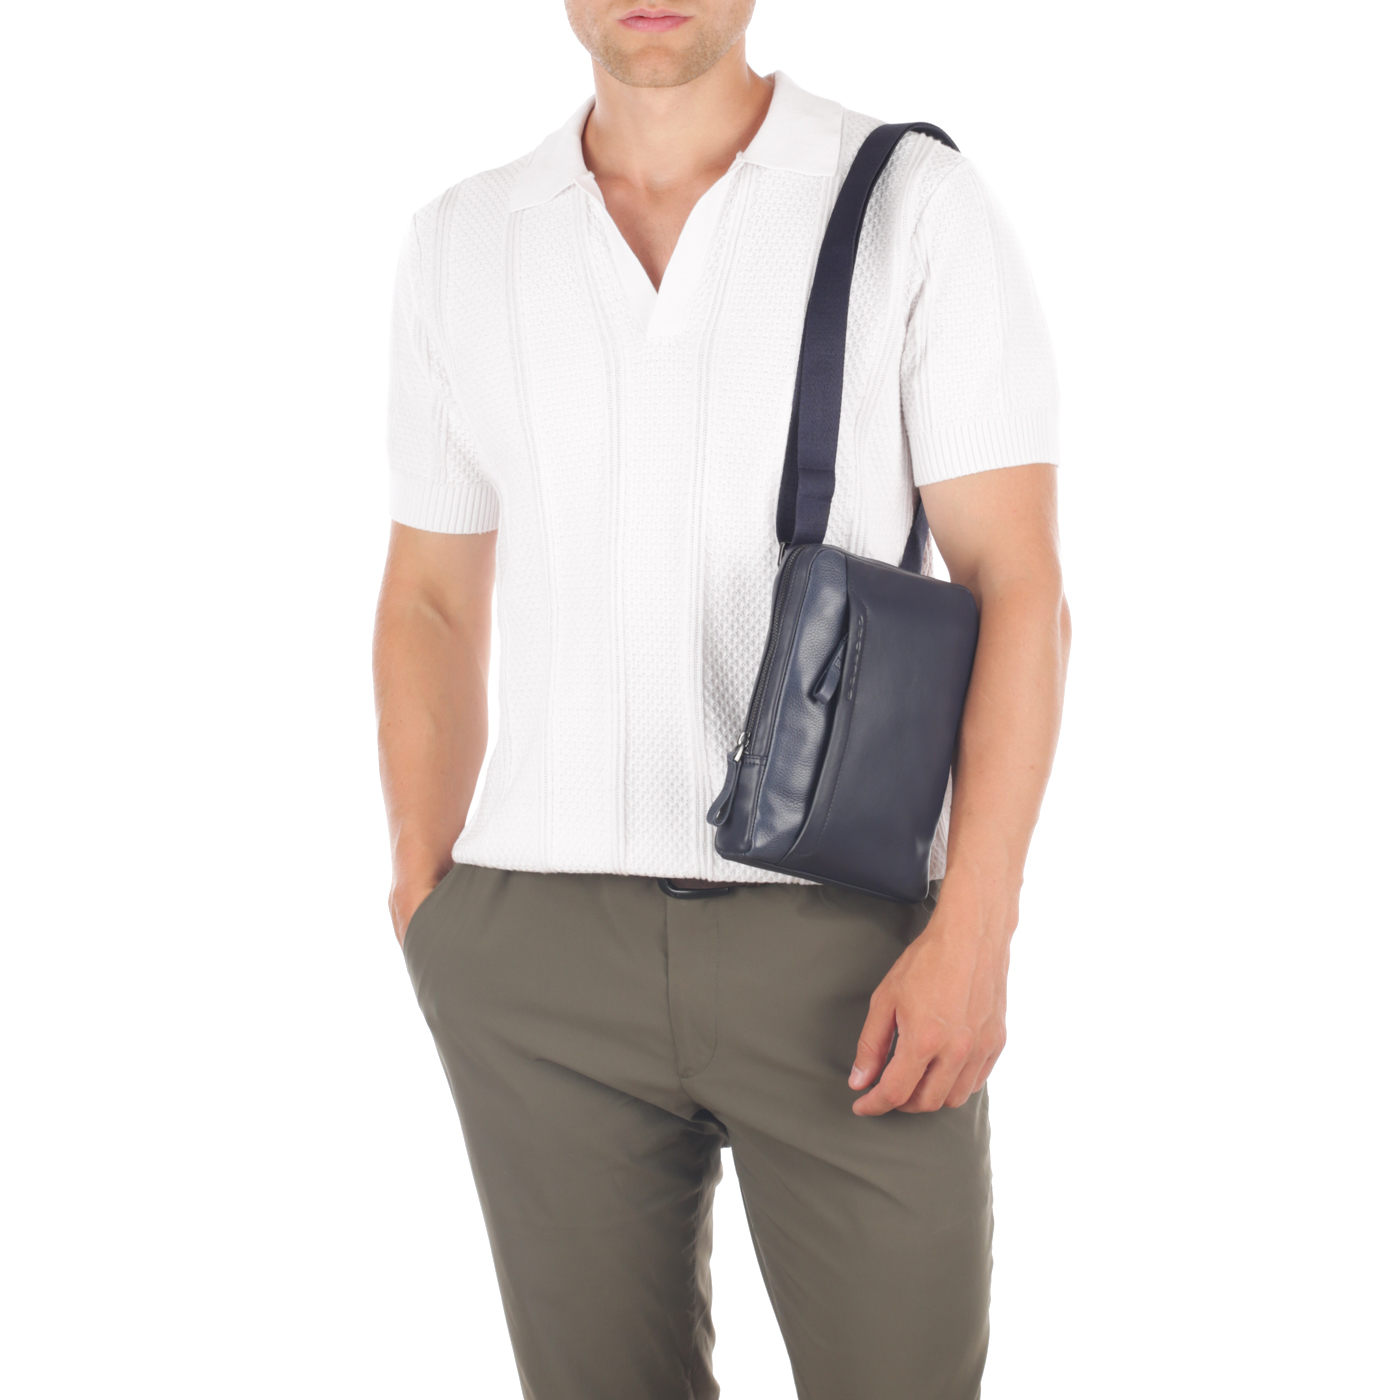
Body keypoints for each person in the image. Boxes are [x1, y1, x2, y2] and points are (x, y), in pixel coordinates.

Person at [373, 1, 1069, 1395]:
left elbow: (1019, 588)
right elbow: (431, 595)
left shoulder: (910, 203)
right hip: (535, 952)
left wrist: (977, 928)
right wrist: (427, 897)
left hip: (848, 953)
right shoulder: (464, 239)